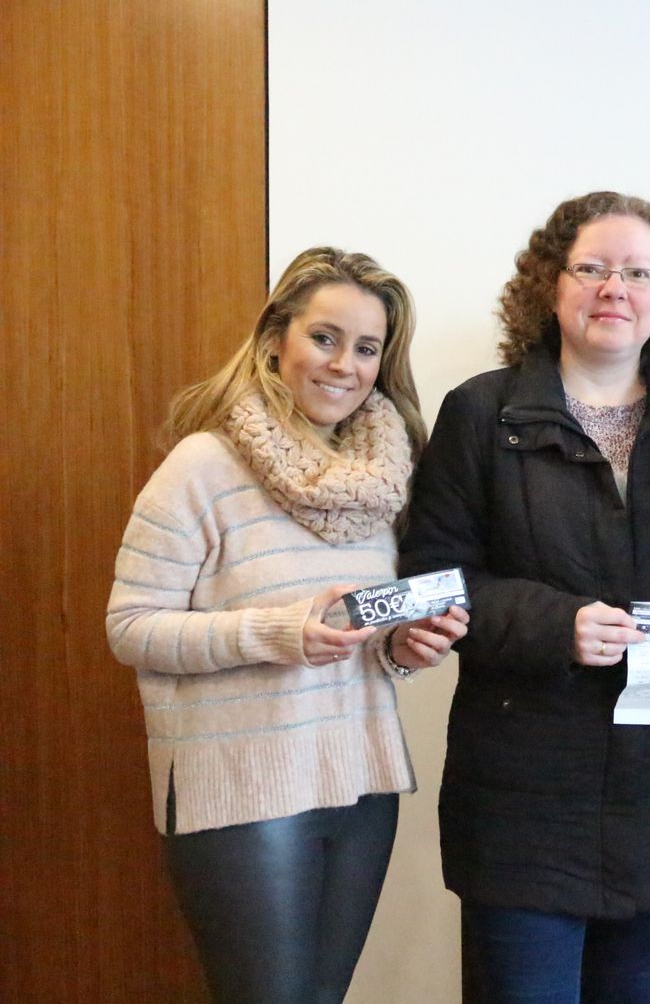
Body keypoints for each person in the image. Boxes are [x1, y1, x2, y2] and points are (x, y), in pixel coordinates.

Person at [398, 191, 650, 1002]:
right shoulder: (479, 412)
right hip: (526, 797)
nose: (615, 287)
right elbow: (434, 576)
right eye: (593, 267)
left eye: (637, 271)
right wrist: (552, 624)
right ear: (550, 284)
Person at [106, 247, 470, 1004]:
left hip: (361, 785)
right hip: (241, 795)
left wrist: (403, 647)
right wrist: (279, 633)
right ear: (276, 338)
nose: (344, 365)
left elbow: (362, 636)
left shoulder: (381, 482)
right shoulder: (202, 466)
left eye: (366, 348)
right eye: (325, 337)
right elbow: (131, 626)